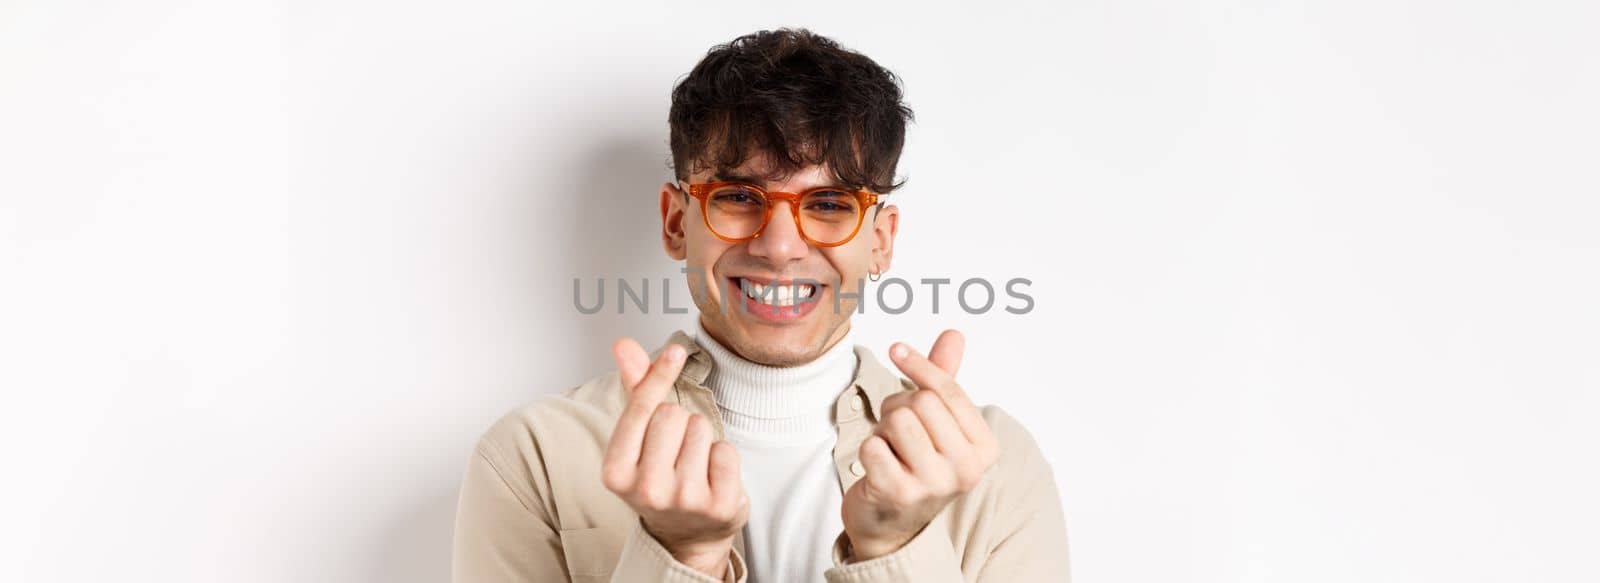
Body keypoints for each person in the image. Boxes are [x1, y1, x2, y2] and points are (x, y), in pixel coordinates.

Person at [451, 27, 1070, 583]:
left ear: (879, 242)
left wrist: (895, 550)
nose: (779, 248)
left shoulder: (993, 466)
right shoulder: (533, 458)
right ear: (675, 223)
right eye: (738, 196)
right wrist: (682, 558)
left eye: (829, 205)